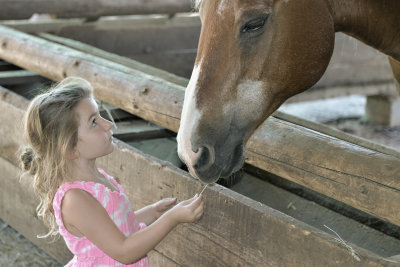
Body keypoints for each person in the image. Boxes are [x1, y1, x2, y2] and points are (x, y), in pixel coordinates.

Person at [19, 77, 204, 266]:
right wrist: (172, 218)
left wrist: (153, 213)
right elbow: (124, 251)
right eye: (93, 122)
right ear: (70, 148)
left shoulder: (97, 179)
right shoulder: (75, 199)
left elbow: (114, 226)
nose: (108, 124)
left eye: (99, 115)